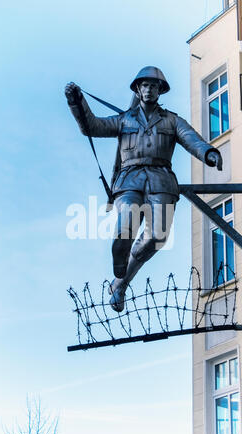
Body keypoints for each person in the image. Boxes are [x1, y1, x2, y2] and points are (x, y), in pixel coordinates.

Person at [65, 66, 222, 312]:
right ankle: (120, 249)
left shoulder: (171, 120)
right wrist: (77, 102)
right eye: (145, 85)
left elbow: (190, 138)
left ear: (160, 91)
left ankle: (121, 281)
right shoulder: (124, 120)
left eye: (154, 86)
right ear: (138, 89)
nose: (149, 90)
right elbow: (91, 127)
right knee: (127, 222)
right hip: (129, 180)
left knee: (157, 237)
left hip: (161, 181)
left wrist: (209, 153)